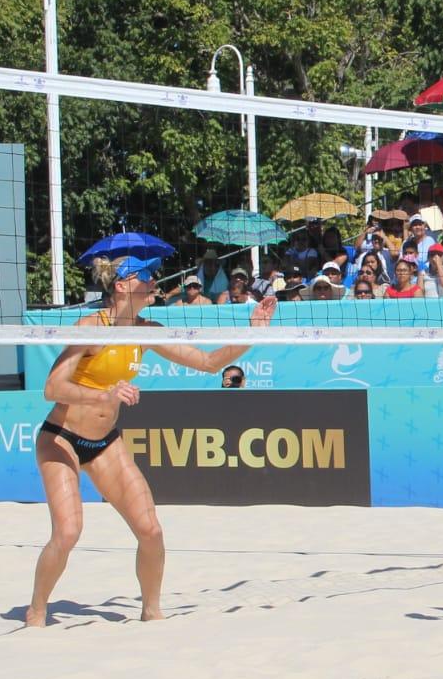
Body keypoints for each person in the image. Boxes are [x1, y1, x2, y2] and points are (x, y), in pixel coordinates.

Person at [29, 257, 276, 627]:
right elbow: (52, 388)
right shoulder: (92, 326)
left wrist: (253, 331)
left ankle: (152, 612)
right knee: (68, 531)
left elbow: (208, 362)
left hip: (104, 442)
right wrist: (104, 394)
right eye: (144, 276)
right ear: (122, 285)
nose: (153, 281)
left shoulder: (146, 330)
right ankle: (36, 611)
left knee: (150, 530)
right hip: (61, 438)